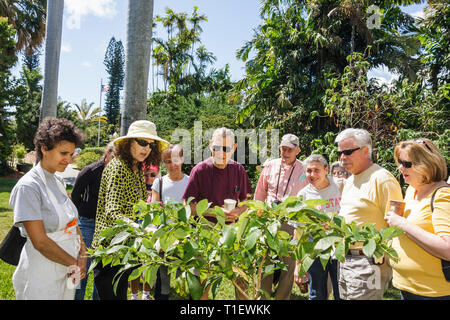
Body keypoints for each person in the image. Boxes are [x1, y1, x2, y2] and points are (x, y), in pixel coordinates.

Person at [10, 117, 86, 300]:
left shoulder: (58, 181)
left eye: (71, 154)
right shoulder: (29, 187)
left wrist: (83, 252)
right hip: (42, 270)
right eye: (63, 153)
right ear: (44, 149)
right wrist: (73, 262)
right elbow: (40, 241)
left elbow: (72, 220)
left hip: (68, 266)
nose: (68, 159)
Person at [92, 120, 169, 300]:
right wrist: (141, 229)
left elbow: (141, 206)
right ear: (128, 143)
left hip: (124, 249)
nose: (147, 148)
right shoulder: (118, 167)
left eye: (151, 145)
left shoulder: (135, 167)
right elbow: (113, 212)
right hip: (109, 251)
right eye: (142, 142)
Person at [182, 127, 252, 299]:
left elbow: (247, 201)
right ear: (210, 145)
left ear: (234, 148)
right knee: (203, 278)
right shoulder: (200, 170)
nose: (221, 152)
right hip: (206, 230)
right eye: (217, 147)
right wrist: (214, 212)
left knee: (241, 277)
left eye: (226, 148)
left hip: (233, 230)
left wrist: (238, 211)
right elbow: (188, 205)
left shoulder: (239, 170)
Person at [335, 128, 403, 300]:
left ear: (366, 151)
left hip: (369, 263)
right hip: (345, 260)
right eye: (340, 153)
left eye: (348, 152)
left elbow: (397, 227)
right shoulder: (350, 180)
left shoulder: (382, 179)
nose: (342, 157)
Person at [385, 138, 450, 300]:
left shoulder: (443, 195)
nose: (400, 168)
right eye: (399, 162)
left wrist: (402, 223)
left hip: (432, 292)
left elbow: (447, 249)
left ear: (427, 164)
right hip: (406, 287)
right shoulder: (412, 190)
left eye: (407, 164)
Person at [254, 133, 308, 300]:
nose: (285, 152)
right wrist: (258, 216)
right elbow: (260, 193)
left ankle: (282, 297)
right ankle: (262, 297)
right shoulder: (270, 165)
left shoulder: (304, 169)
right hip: (268, 218)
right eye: (283, 149)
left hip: (291, 220)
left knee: (288, 262)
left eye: (289, 149)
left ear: (297, 150)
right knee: (265, 260)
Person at [71, 142, 115, 300]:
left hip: (109, 227)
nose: (116, 160)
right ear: (106, 153)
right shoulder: (90, 171)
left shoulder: (119, 173)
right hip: (87, 223)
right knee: (81, 268)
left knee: (102, 272)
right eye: (113, 156)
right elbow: (75, 197)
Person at [294, 154, 341, 300]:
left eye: (316, 170)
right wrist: (299, 264)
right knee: (316, 294)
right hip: (315, 252)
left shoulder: (341, 186)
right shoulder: (303, 195)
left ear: (326, 169)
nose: (312, 174)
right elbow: (299, 231)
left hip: (340, 250)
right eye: (309, 171)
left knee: (343, 293)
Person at [150, 144, 190, 300]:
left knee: (183, 272)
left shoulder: (190, 181)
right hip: (164, 233)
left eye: (175, 160)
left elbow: (190, 209)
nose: (172, 165)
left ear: (182, 159)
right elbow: (154, 209)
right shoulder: (159, 183)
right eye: (167, 161)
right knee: (162, 274)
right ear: (163, 163)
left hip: (184, 233)